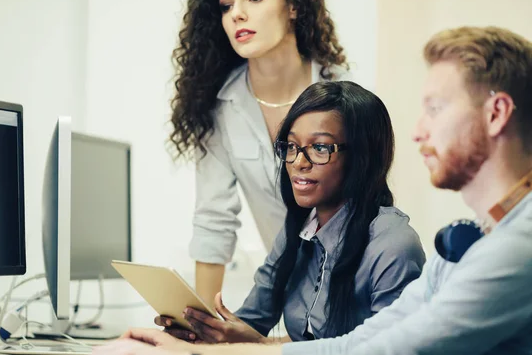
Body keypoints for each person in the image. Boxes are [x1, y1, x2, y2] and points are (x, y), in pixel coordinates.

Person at [93, 26, 532, 354]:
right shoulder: (481, 237)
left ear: (496, 114)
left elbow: (394, 351)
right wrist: (217, 345)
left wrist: (210, 354)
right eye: (291, 148)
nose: (418, 132)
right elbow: (363, 342)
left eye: (435, 109)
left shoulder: (517, 248)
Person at [157, 81, 425, 344]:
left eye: (320, 148)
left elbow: (387, 350)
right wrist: (199, 330)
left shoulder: (392, 246)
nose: (298, 162)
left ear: (362, 157)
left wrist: (267, 347)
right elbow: (251, 322)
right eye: (292, 147)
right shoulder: (298, 231)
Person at [168, 0, 350, 305]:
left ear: (293, 4)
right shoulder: (219, 106)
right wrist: (206, 327)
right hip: (291, 300)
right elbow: (214, 220)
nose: (237, 13)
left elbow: (366, 212)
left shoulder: (345, 97)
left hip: (355, 294)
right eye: (225, 5)